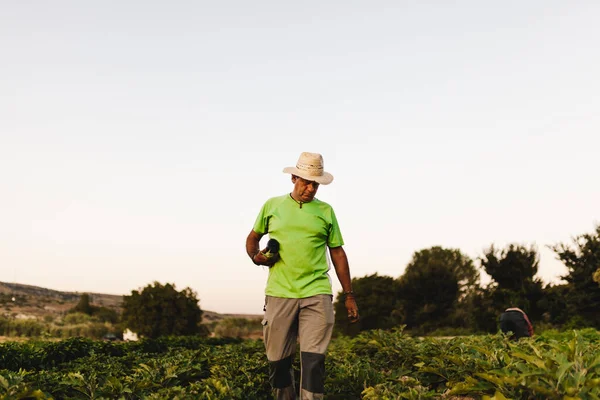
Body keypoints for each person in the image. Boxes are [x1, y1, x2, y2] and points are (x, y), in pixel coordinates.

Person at [246, 151, 359, 400]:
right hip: (279, 293)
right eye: (306, 181)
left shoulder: (326, 212)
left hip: (316, 292)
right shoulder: (272, 205)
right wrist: (257, 257)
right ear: (294, 178)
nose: (311, 188)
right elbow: (253, 239)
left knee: (313, 362)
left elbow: (338, 253)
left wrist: (349, 295)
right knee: (278, 362)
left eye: (315, 183)